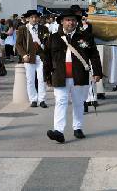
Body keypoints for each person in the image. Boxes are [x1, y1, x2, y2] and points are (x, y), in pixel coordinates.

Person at [43, 9, 103, 143]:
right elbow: (46, 58)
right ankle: (58, 131)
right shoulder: (53, 38)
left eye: (73, 20)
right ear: (62, 22)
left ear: (76, 22)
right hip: (60, 76)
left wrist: (98, 72)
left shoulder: (85, 37)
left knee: (78, 103)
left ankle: (78, 128)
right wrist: (46, 75)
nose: (70, 23)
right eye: (68, 20)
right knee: (60, 102)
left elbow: (94, 55)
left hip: (79, 75)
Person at [15, 10, 50, 108]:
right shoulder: (23, 29)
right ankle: (33, 99)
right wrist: (24, 55)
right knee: (30, 79)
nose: (34, 19)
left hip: (41, 56)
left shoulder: (44, 29)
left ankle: (42, 99)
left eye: (35, 17)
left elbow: (48, 42)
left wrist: (44, 47)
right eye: (31, 17)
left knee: (41, 79)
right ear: (27, 19)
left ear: (38, 18)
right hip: (29, 57)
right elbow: (18, 44)